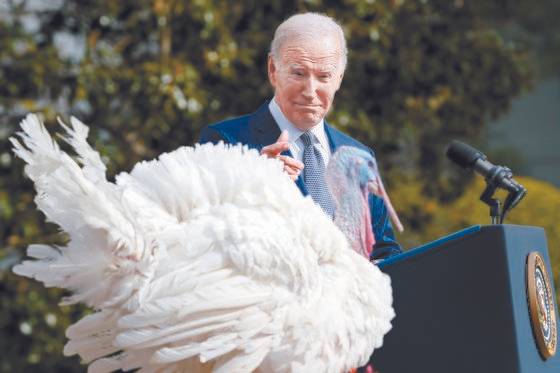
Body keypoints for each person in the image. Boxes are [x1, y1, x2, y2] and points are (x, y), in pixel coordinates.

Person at [199, 12, 401, 259]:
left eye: (324, 76)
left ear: (339, 78)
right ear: (273, 70)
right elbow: (204, 240)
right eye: (298, 73)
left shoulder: (358, 156)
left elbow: (383, 250)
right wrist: (255, 186)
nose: (310, 91)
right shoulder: (225, 142)